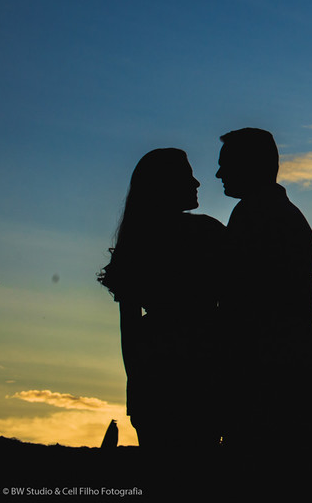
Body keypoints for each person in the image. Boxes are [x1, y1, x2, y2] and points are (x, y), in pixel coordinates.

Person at [98, 148, 224, 448]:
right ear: (166, 185)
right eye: (187, 176)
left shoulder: (138, 243)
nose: (196, 183)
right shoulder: (208, 233)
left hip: (154, 382)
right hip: (201, 377)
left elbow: (128, 330)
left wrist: (138, 384)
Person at [215, 128, 312, 447]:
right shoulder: (276, 214)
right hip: (284, 365)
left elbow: (240, 300)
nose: (219, 174)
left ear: (250, 165)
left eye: (226, 165)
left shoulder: (256, 216)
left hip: (265, 371)